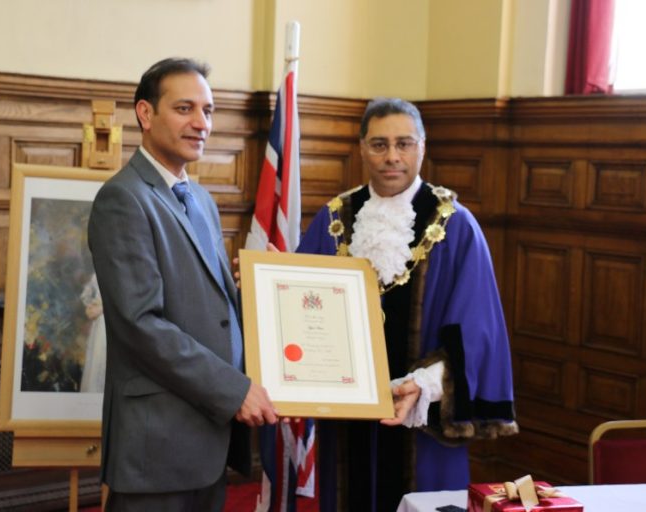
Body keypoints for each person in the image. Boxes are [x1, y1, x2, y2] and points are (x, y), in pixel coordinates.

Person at [296, 98, 518, 511]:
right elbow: (302, 307)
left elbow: (478, 331)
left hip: (423, 421)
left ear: (422, 147)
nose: (392, 157)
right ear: (362, 148)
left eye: (404, 143)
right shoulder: (333, 219)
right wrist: (272, 282)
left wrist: (426, 384)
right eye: (379, 145)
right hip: (346, 417)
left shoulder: (455, 225)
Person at [88, 57, 278, 512]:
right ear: (146, 113)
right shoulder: (123, 199)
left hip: (208, 441)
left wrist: (261, 289)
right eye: (184, 108)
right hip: (157, 448)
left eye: (208, 111)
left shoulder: (200, 200)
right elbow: (141, 325)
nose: (201, 123)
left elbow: (208, 308)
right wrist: (233, 390)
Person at [79, 273, 105, 393]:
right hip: (100, 324)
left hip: (115, 321)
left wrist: (101, 308)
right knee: (96, 364)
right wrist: (91, 306)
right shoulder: (100, 271)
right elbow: (88, 293)